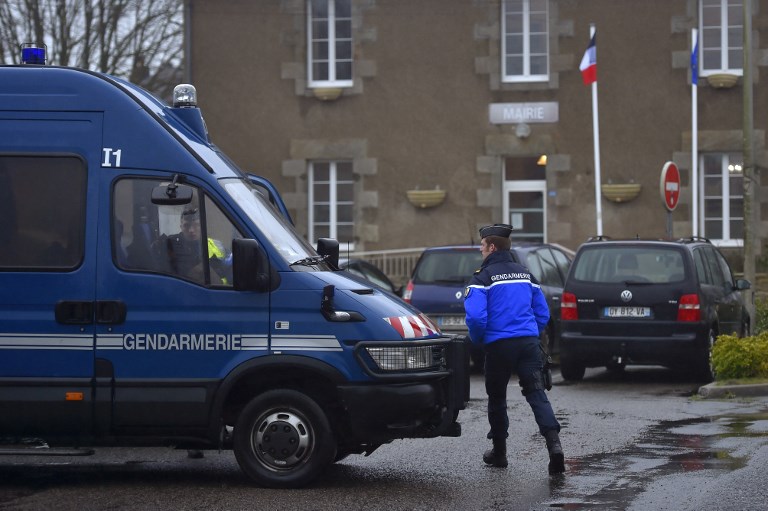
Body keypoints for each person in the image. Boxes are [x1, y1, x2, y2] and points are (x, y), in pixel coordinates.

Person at [463, 223, 565, 475]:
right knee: (537, 393)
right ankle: (555, 447)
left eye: (482, 245)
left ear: (492, 247)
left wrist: (479, 340)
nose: (480, 250)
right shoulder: (525, 274)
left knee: (497, 397)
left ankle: (500, 453)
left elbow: (475, 318)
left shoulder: (482, 278)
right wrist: (531, 333)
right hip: (528, 344)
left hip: (499, 346)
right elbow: (542, 313)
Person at [154, 208, 231, 284]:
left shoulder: (216, 246)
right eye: (186, 225)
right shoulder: (169, 244)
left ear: (202, 226)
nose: (191, 230)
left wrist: (217, 280)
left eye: (196, 225)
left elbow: (230, 272)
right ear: (181, 227)